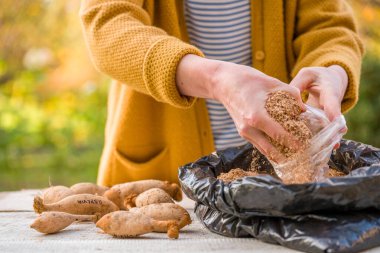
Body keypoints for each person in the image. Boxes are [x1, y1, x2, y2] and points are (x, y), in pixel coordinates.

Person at [80, 0, 363, 186]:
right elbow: (107, 25)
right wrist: (215, 79)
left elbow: (329, 26)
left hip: (277, 183)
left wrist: (332, 69)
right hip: (165, 184)